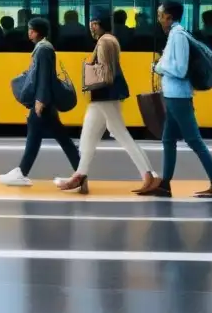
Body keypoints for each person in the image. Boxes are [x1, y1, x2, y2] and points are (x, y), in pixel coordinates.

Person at [55, 11, 157, 195]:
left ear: (97, 24)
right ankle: (80, 177)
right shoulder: (107, 40)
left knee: (120, 134)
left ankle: (149, 175)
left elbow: (106, 72)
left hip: (105, 96)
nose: (91, 27)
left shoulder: (106, 42)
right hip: (102, 97)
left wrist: (90, 78)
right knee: (88, 137)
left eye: (93, 22)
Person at [139, 0, 212, 199]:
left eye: (161, 15)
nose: (159, 19)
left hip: (178, 96)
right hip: (173, 95)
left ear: (170, 17)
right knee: (168, 139)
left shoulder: (178, 36)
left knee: (194, 140)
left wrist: (158, 68)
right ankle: (164, 185)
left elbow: (179, 69)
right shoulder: (174, 34)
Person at [0, 17, 80, 186]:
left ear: (37, 32)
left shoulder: (43, 49)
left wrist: (40, 100)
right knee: (59, 138)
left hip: (43, 101)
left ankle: (21, 172)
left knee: (37, 135)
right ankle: (81, 172)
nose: (29, 32)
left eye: (31, 29)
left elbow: (43, 77)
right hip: (46, 101)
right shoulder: (43, 48)